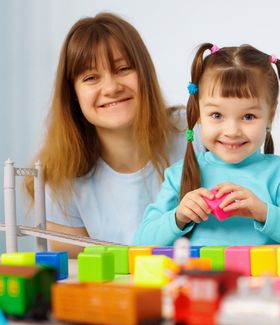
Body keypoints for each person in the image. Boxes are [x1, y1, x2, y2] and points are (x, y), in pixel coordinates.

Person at [24, 13, 202, 257]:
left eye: (123, 69)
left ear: (145, 74)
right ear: (73, 94)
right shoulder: (60, 178)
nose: (111, 88)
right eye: (90, 77)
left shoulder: (196, 135)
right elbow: (75, 276)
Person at [134, 43, 280, 247]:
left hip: (264, 281)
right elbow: (140, 242)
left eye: (248, 116)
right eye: (216, 115)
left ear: (270, 114)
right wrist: (178, 217)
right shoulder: (179, 175)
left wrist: (265, 212)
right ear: (197, 112)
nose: (232, 131)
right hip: (198, 279)